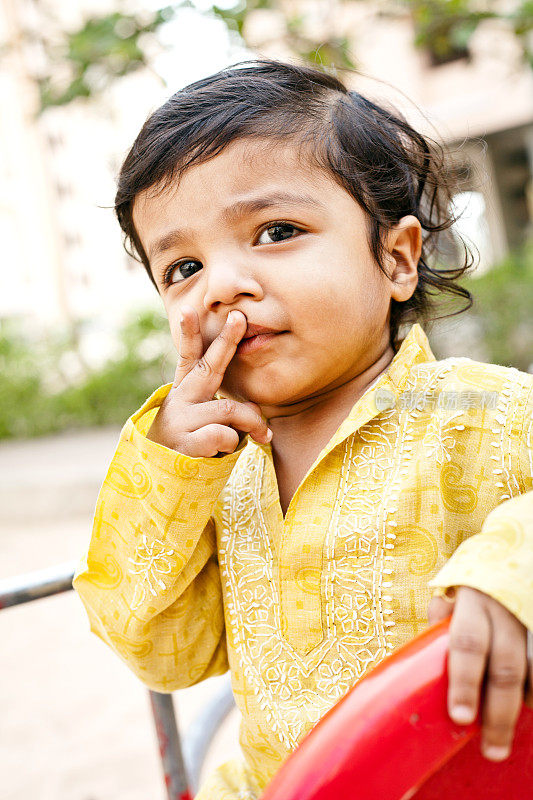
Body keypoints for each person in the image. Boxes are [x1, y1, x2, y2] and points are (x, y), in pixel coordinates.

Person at [73, 59, 533, 799]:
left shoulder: (487, 414)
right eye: (182, 266)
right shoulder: (212, 475)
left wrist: (514, 578)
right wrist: (164, 473)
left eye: (276, 230)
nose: (221, 285)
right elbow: (163, 654)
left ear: (396, 258)